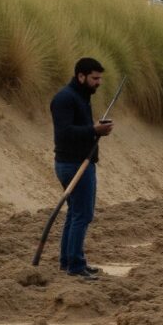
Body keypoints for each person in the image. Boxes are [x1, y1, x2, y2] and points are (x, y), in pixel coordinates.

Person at [49, 57, 116, 278]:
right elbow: (65, 133)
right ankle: (75, 266)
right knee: (82, 215)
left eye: (100, 78)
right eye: (95, 78)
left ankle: (68, 262)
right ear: (81, 76)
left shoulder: (80, 96)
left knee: (75, 214)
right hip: (74, 165)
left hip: (76, 163)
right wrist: (94, 130)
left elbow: (79, 129)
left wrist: (95, 129)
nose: (98, 83)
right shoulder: (65, 98)